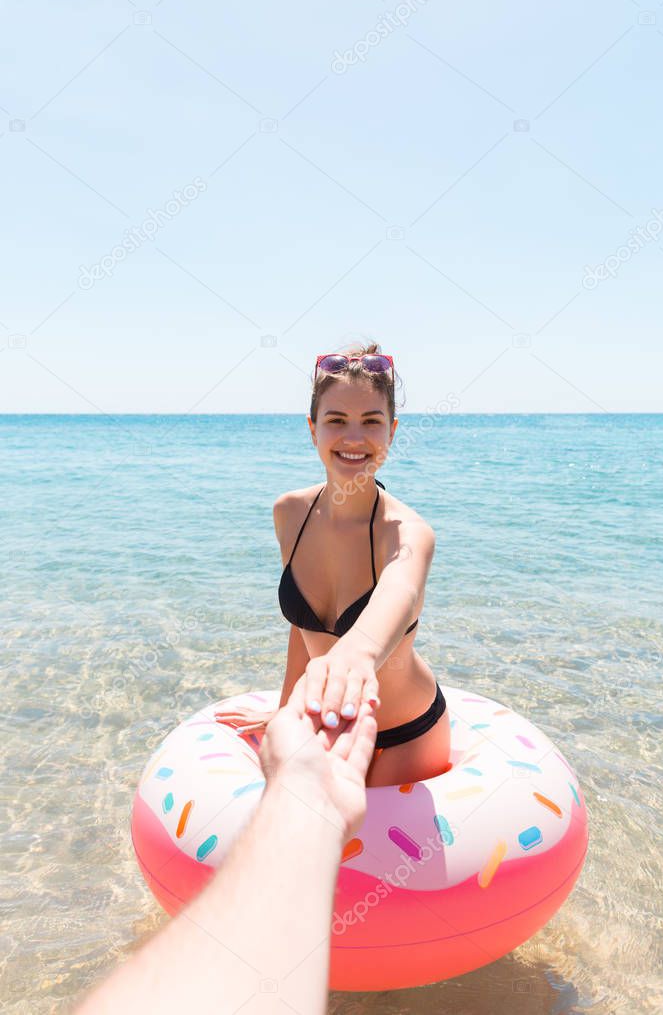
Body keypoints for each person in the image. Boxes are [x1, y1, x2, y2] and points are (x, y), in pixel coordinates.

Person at [217, 341, 451, 787]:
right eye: (336, 421)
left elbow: (398, 594)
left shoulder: (407, 534)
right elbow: (301, 628)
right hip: (328, 726)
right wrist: (285, 712)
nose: (354, 439)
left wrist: (356, 655)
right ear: (313, 429)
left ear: (393, 431)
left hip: (407, 737)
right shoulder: (290, 514)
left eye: (371, 422)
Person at [73, 674, 378, 1015]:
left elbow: (364, 652)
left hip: (402, 729)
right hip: (320, 780)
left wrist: (305, 796)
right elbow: (298, 672)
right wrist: (298, 775)